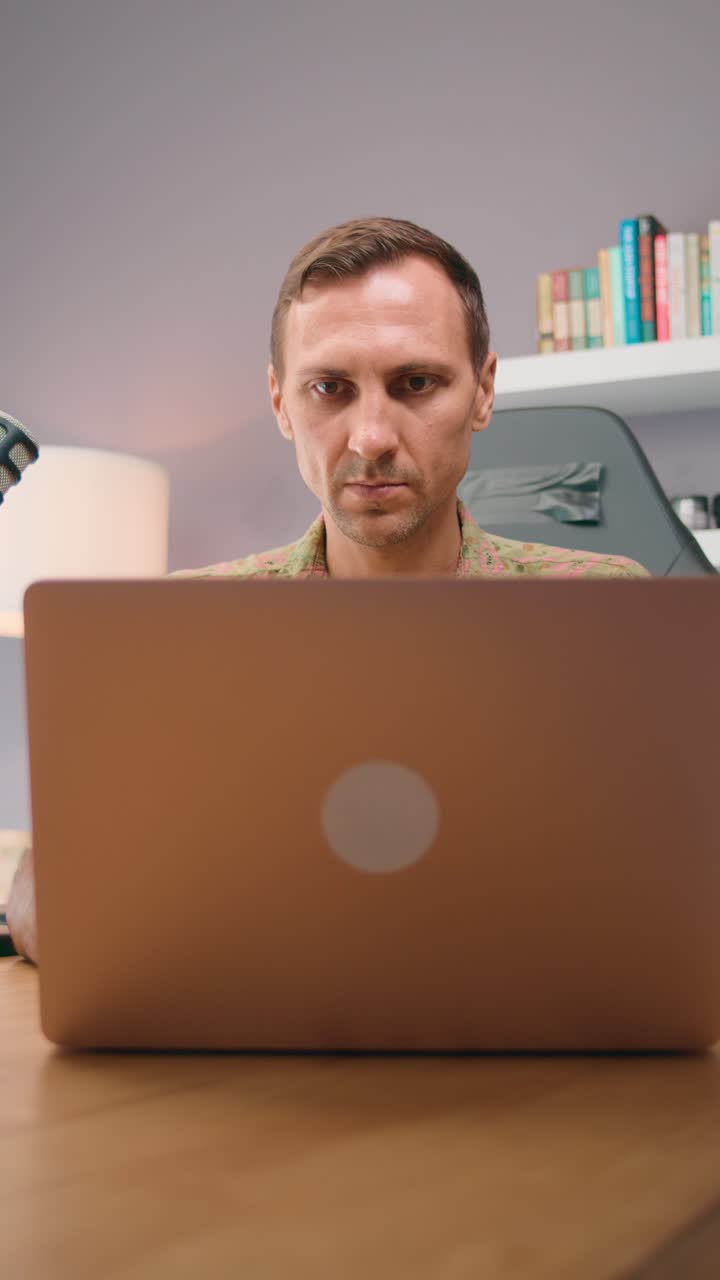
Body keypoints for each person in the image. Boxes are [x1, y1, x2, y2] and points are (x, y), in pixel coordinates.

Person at [6, 216, 648, 962]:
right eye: (329, 388)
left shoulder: (611, 611)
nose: (371, 436)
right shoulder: (186, 630)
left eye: (416, 383)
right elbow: (57, 883)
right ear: (281, 403)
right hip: (259, 1040)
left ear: (483, 391)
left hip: (541, 1042)